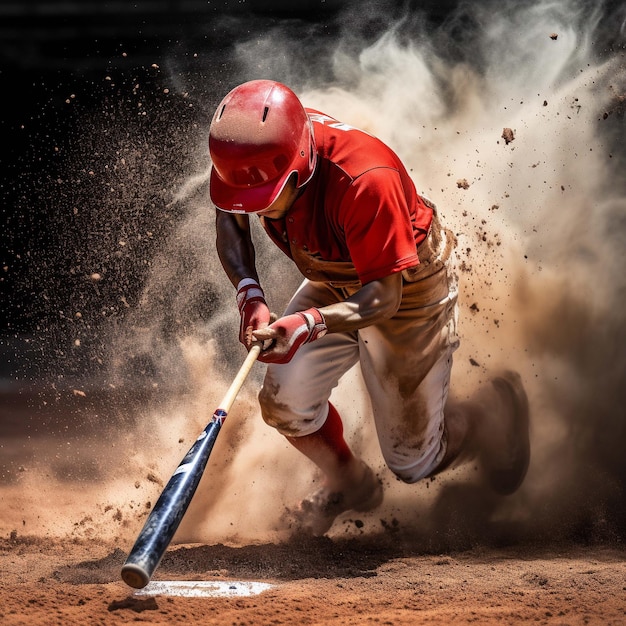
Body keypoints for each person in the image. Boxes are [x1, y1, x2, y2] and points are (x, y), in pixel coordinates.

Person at [209, 79, 530, 536]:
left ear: (298, 169)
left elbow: (384, 297)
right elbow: (231, 215)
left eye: (263, 200)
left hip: (406, 289)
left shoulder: (365, 182)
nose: (252, 209)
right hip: (336, 275)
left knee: (413, 462)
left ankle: (494, 412)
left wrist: (308, 323)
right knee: (285, 406)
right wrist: (250, 294)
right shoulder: (246, 152)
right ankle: (348, 481)